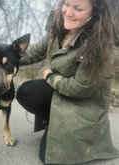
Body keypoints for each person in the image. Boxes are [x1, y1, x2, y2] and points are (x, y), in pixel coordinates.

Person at [16, 0, 119, 164]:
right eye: (66, 3)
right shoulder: (59, 28)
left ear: (95, 12)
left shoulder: (99, 43)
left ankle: (77, 134)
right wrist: (3, 56)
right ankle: (53, 121)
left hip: (84, 104)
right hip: (62, 92)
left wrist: (49, 75)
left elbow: (79, 88)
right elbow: (35, 52)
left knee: (49, 156)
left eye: (78, 8)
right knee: (27, 91)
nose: (68, 12)